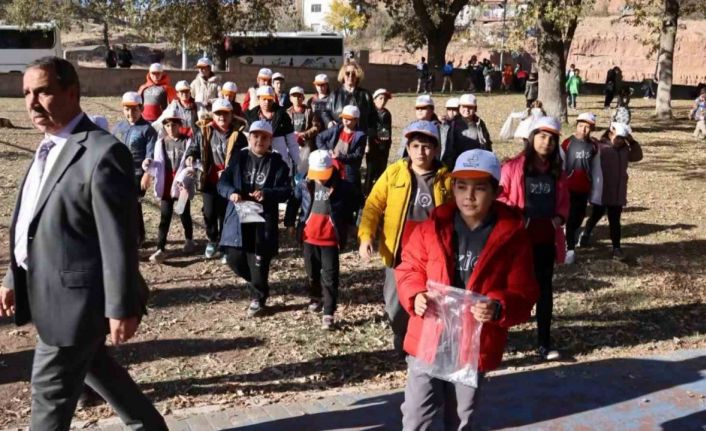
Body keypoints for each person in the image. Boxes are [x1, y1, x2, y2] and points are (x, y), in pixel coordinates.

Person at [0, 56, 166, 431]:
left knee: (48, 394)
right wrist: (14, 276)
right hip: (47, 292)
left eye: (43, 91)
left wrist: (122, 306)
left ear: (71, 92)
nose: (31, 102)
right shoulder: (47, 147)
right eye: (26, 93)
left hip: (75, 303)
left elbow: (120, 238)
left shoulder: (102, 153)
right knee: (101, 372)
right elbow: (33, 220)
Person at [395, 149, 539, 430]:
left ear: (496, 190)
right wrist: (415, 295)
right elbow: (409, 268)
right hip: (429, 335)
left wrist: (498, 307)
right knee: (415, 414)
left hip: (472, 344)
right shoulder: (432, 227)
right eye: (461, 187)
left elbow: (524, 292)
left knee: (462, 415)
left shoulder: (512, 238)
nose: (468, 196)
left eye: (479, 188)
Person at [358, 120, 453, 355]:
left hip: (433, 254)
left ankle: (425, 345)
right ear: (408, 148)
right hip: (399, 253)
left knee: (431, 301)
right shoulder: (394, 172)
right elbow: (373, 205)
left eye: (427, 146)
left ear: (436, 149)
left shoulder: (446, 179)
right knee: (395, 305)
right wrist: (366, 236)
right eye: (416, 146)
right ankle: (402, 336)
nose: (421, 152)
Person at [497, 116, 569, 361]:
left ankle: (544, 343)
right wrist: (517, 215)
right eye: (541, 136)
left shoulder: (557, 171)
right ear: (531, 138)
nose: (546, 142)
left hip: (545, 241)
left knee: (544, 291)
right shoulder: (512, 167)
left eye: (551, 138)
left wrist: (559, 218)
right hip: (517, 242)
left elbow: (564, 202)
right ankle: (500, 342)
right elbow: (499, 198)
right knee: (507, 290)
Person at [218, 121, 292, 317]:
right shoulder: (239, 158)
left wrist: (267, 193)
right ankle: (258, 284)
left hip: (262, 217)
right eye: (255, 136)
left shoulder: (277, 163)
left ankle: (258, 297)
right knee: (234, 257)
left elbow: (286, 191)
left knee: (258, 257)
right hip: (238, 215)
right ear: (249, 138)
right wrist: (231, 192)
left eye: (264, 137)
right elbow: (222, 182)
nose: (259, 140)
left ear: (270, 141)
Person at [285, 150, 356, 330]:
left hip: (330, 240)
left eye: (323, 175)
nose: (320, 179)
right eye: (317, 175)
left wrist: (353, 225)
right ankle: (315, 296)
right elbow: (294, 202)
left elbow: (357, 204)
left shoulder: (343, 187)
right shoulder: (304, 184)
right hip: (309, 237)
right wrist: (290, 222)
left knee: (331, 276)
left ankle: (329, 312)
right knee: (312, 272)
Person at [142, 107, 200, 263]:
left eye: (173, 125)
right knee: (165, 217)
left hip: (181, 185)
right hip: (166, 185)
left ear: (179, 125)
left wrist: (190, 169)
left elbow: (192, 163)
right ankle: (160, 248)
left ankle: (189, 240)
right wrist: (149, 164)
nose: (170, 128)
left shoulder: (187, 142)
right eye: (167, 125)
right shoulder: (160, 143)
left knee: (183, 212)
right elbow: (158, 163)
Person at [580, 123, 643, 261]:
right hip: (602, 190)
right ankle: (586, 233)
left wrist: (632, 141)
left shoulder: (625, 149)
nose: (620, 140)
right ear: (610, 134)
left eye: (623, 138)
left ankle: (616, 247)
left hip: (618, 191)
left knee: (615, 220)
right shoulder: (600, 147)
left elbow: (638, 156)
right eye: (618, 137)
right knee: (596, 214)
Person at [200, 99, 248, 261]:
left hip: (228, 181)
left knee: (225, 213)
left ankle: (224, 244)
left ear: (231, 115)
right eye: (218, 113)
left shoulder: (239, 136)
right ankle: (212, 239)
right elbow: (194, 148)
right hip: (209, 179)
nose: (222, 117)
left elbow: (244, 159)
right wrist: (191, 159)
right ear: (213, 115)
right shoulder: (205, 131)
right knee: (209, 212)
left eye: (225, 113)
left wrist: (229, 172)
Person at [111, 91, 159, 246]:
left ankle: (137, 237)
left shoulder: (148, 130)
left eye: (134, 109)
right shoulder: (119, 126)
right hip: (118, 173)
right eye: (127, 109)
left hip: (137, 174)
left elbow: (151, 154)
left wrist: (147, 174)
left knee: (133, 204)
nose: (130, 112)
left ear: (141, 108)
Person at [561, 113, 598, 265]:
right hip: (569, 187)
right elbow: (561, 163)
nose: (583, 130)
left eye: (587, 127)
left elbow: (596, 168)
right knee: (570, 217)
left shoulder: (594, 146)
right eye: (581, 126)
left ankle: (571, 234)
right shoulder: (567, 143)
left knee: (580, 215)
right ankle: (570, 249)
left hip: (584, 188)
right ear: (576, 126)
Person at [316, 105, 367, 202]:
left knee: (350, 195)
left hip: (348, 170)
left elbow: (358, 155)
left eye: (349, 119)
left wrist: (341, 157)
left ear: (356, 120)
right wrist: (327, 151)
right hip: (332, 167)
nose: (345, 121)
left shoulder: (360, 136)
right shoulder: (337, 129)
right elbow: (319, 138)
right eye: (344, 118)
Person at [245, 85, 300, 175]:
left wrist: (298, 163)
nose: (267, 102)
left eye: (270, 99)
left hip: (280, 160)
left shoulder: (282, 115)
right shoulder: (251, 116)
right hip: (259, 163)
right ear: (259, 98)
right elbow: (248, 142)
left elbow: (292, 142)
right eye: (264, 99)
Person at [325, 61, 377, 139]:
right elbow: (325, 112)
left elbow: (373, 116)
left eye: (354, 74)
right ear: (343, 75)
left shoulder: (366, 95)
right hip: (339, 137)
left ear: (357, 76)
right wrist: (329, 121)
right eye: (347, 73)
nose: (350, 76)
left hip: (360, 137)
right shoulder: (334, 94)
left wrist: (369, 135)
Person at [442, 93, 493, 167]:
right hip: (457, 164)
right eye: (464, 107)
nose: (467, 110)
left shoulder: (480, 123)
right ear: (459, 108)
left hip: (477, 163)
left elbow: (487, 144)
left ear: (475, 109)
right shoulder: (453, 124)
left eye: (470, 107)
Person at [287, 86, 322, 177]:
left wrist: (304, 134)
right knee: (291, 168)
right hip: (291, 145)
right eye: (294, 96)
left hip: (305, 145)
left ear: (303, 98)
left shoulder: (309, 111)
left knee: (303, 169)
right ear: (290, 98)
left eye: (299, 96)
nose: (297, 98)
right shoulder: (287, 113)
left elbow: (316, 127)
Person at [365, 88, 393, 196]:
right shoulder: (369, 113)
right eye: (380, 98)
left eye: (385, 99)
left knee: (381, 172)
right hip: (372, 146)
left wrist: (386, 139)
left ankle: (378, 194)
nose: (383, 101)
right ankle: (366, 193)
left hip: (383, 147)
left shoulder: (386, 114)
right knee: (370, 172)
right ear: (374, 100)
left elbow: (386, 132)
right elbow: (369, 130)